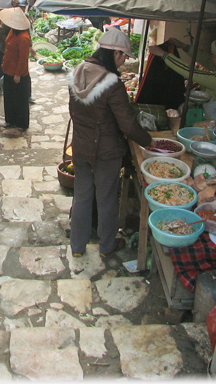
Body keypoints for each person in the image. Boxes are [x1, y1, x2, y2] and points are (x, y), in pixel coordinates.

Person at [68, 28, 152, 258]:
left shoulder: (78, 72)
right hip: (106, 152)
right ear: (114, 53)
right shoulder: (112, 84)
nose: (124, 61)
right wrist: (149, 142)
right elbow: (127, 124)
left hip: (81, 147)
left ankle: (77, 247)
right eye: (124, 56)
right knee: (106, 199)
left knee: (82, 196)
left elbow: (73, 112)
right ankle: (106, 247)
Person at [148, 36, 216, 101]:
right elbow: (206, 59)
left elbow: (192, 72)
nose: (211, 58)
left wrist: (164, 55)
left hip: (213, 118)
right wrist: (184, 46)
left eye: (213, 56)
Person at [0, 7, 33, 130]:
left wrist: (18, 74)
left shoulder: (23, 38)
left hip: (18, 74)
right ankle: (10, 120)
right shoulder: (12, 32)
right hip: (8, 70)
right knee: (9, 98)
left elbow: (23, 59)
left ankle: (22, 124)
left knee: (20, 100)